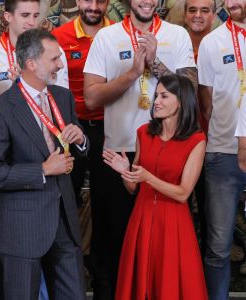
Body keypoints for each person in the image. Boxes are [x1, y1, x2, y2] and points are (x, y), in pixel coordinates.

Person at [84, 0, 196, 295]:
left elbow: (191, 91)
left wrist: (156, 63)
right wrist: (133, 72)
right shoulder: (106, 37)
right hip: (120, 151)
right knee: (114, 238)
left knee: (161, 238)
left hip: (168, 149)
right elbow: (92, 98)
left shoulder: (177, 34)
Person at [0, 28, 88, 300]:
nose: (61, 64)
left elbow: (79, 147)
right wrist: (42, 170)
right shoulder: (0, 110)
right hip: (23, 229)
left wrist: (82, 139)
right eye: (54, 59)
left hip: (65, 223)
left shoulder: (63, 97)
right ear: (31, 64)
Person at [103, 74, 207, 300]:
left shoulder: (196, 140)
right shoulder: (143, 132)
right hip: (142, 218)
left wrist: (148, 178)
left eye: (164, 96)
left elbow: (183, 193)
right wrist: (125, 171)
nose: (156, 101)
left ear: (181, 101)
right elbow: (133, 187)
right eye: (156, 95)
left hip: (174, 224)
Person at [52, 1, 113, 297]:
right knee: (66, 203)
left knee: (106, 204)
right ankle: (69, 275)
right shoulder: (59, 36)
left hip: (108, 130)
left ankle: (103, 279)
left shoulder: (117, 34)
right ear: (77, 2)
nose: (93, 5)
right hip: (69, 131)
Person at [197, 0, 246, 299]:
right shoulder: (212, 42)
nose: (233, 3)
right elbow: (206, 102)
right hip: (223, 154)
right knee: (217, 246)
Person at [0, 0, 68, 106]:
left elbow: (62, 100)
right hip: (5, 122)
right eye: (25, 15)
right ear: (8, 16)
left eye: (35, 16)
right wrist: (16, 94)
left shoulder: (55, 52)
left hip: (47, 121)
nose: (32, 22)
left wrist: (32, 84)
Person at [184, 0, 216, 258]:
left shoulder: (223, 44)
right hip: (179, 141)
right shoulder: (175, 44)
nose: (198, 15)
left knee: (209, 212)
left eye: (205, 10)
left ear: (214, 15)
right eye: (192, 10)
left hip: (213, 142)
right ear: (184, 15)